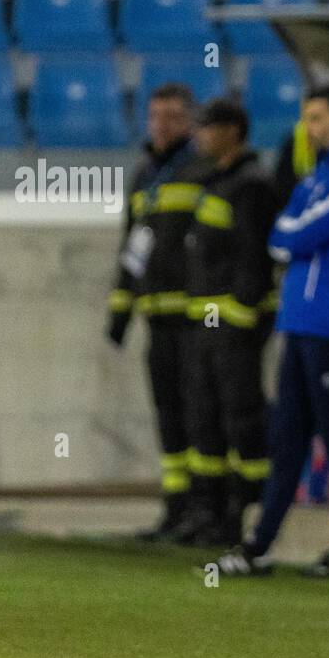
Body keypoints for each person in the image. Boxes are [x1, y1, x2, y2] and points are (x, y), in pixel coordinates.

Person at [218, 83, 329, 577]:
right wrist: (290, 237)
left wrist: (291, 238)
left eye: (316, 118)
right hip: (302, 321)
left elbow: (294, 234)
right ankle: (260, 544)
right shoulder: (318, 177)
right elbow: (281, 233)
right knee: (287, 436)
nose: (308, 129)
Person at [106, 83, 214, 541]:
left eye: (171, 116)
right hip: (156, 317)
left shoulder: (203, 169)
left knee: (199, 413)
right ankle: (175, 507)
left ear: (190, 121)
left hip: (194, 318)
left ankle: (206, 509)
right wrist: (120, 309)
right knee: (168, 413)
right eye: (155, 116)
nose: (162, 125)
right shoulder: (145, 172)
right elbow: (132, 245)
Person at [177, 99, 282, 547]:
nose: (199, 135)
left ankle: (247, 514)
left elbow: (251, 259)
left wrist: (241, 317)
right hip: (207, 322)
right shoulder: (214, 181)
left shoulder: (252, 184)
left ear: (232, 131)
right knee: (206, 420)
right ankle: (210, 514)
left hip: (233, 325)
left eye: (207, 127)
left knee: (242, 419)